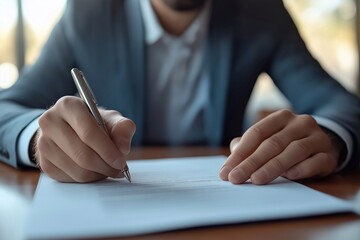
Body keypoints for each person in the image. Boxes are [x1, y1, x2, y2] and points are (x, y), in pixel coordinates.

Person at [0, 0, 359, 184]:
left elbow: (340, 105)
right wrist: (38, 138)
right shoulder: (88, 12)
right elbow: (7, 108)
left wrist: (330, 137)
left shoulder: (259, 12)